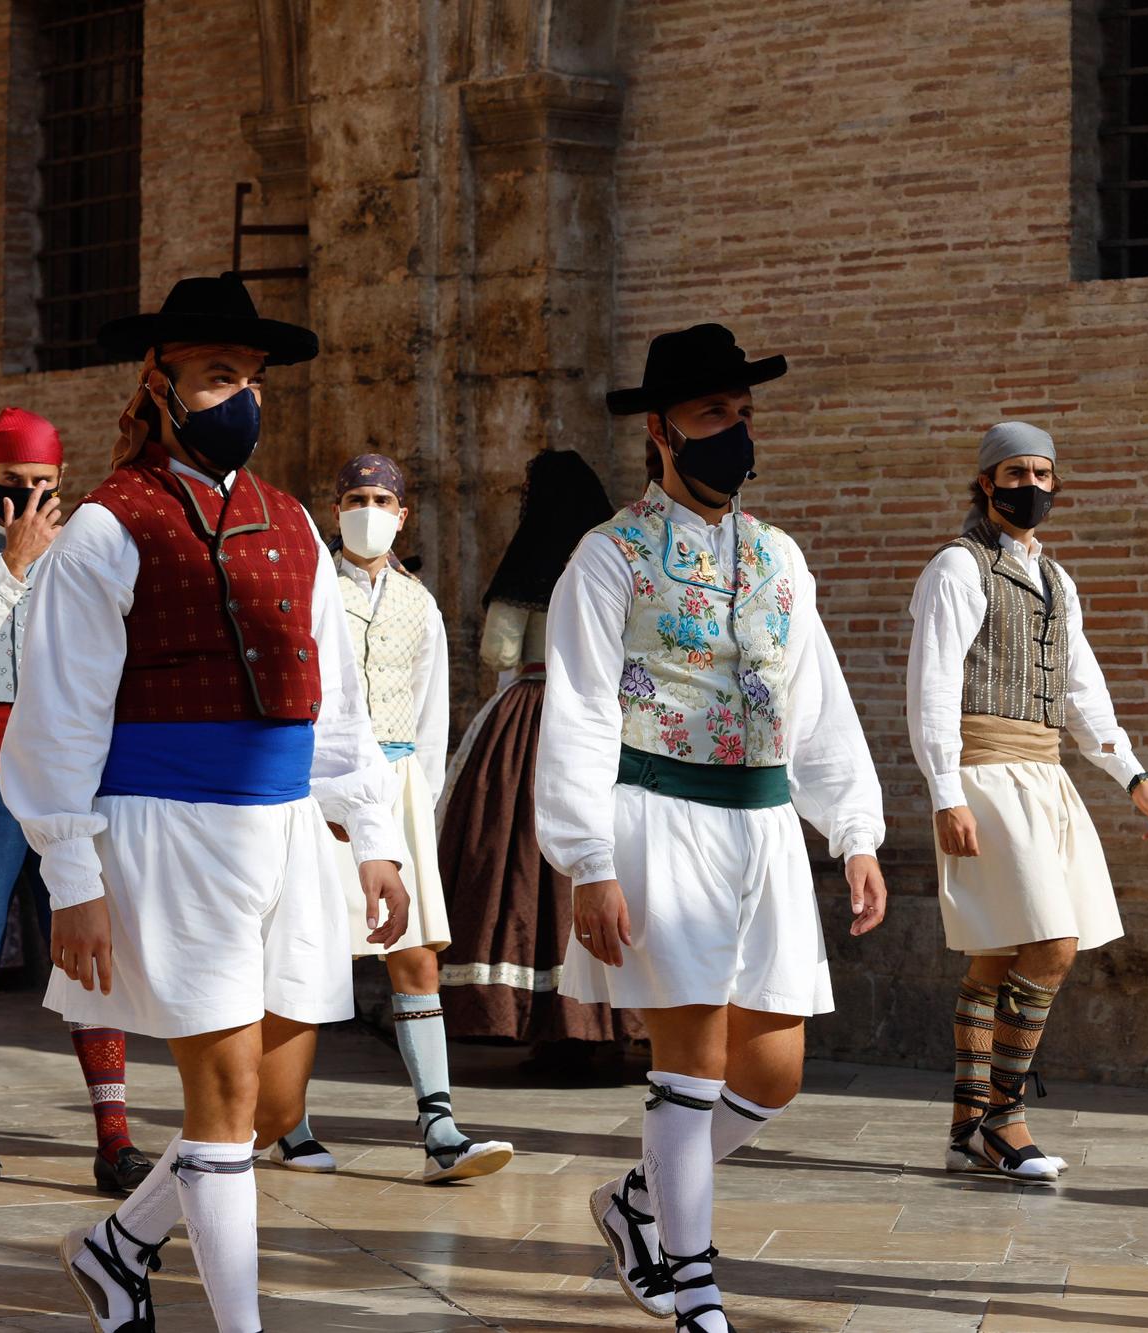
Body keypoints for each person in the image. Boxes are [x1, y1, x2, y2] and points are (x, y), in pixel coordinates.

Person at [0, 273, 408, 1333]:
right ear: (162, 383)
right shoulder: (106, 525)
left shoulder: (293, 523)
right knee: (223, 1113)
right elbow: (56, 716)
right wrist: (73, 876)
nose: (242, 398)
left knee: (271, 1106)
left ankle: (119, 1244)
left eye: (252, 378)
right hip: (168, 826)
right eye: (220, 376)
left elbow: (339, 693)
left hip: (284, 829)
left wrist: (372, 835)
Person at [540, 324, 887, 1333]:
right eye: (709, 416)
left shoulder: (780, 557)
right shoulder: (608, 558)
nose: (732, 434)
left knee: (771, 1073)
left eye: (740, 415)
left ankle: (635, 1201)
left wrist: (852, 829)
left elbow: (814, 701)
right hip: (659, 816)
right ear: (659, 431)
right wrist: (587, 859)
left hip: (764, 825)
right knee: (686, 1064)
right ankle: (695, 1291)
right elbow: (578, 709)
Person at [906, 421, 1148, 1184]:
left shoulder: (1058, 580)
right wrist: (945, 790)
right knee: (1053, 941)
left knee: (998, 953)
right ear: (986, 481)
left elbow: (1084, 692)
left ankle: (967, 1122)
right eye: (1015, 471)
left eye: (1042, 472)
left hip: (1046, 775)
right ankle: (1005, 1117)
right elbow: (930, 689)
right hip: (986, 775)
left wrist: (1134, 776)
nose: (1031, 484)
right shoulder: (956, 569)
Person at [0, 408, 151, 1194]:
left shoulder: (82, 547)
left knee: (85, 942)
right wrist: (12, 566)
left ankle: (114, 1136)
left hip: (67, 767)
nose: (28, 502)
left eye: (44, 487)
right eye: (13, 488)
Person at [269, 453, 513, 1184]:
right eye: (354, 497)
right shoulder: (310, 590)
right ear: (334, 507)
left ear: (403, 515)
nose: (367, 509)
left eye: (381, 498)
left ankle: (439, 1124)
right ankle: (289, 1122)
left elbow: (434, 713)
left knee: (414, 957)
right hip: (318, 786)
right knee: (303, 956)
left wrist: (419, 808)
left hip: (400, 784)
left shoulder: (421, 604)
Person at [437, 448, 642, 1059]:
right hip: (613, 721)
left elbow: (500, 651)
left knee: (516, 858)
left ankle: (544, 1021)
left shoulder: (527, 564)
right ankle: (606, 1024)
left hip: (532, 715)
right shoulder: (617, 557)